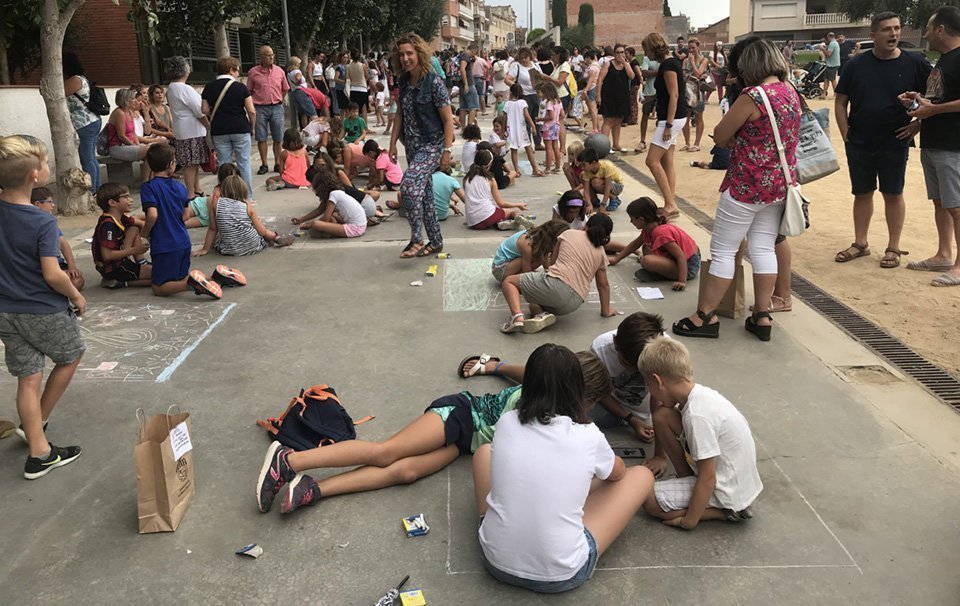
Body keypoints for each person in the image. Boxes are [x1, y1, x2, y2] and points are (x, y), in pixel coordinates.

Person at [255, 348, 612, 516]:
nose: (590, 411)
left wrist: (495, 365)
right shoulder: (529, 406)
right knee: (387, 452)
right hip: (459, 414)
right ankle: (290, 460)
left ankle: (314, 489)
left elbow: (524, 374)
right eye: (591, 402)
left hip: (467, 444)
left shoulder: (547, 397)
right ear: (575, 394)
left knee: (406, 473)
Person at [473, 343, 654, 593]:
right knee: (641, 475)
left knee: (484, 453)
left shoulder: (507, 421)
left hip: (494, 559)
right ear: (578, 389)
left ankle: (495, 527)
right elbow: (619, 473)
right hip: (559, 574)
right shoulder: (588, 434)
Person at [672, 37, 801, 342]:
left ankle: (704, 315)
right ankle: (762, 314)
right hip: (779, 185)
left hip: (746, 185)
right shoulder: (790, 92)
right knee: (763, 248)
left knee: (723, 251)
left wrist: (736, 138)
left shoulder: (753, 96)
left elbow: (720, 134)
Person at [0, 135, 85, 480]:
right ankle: (40, 423)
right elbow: (52, 274)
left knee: (28, 377)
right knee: (71, 355)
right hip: (43, 309)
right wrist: (76, 297)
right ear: (35, 175)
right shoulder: (42, 221)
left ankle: (39, 448)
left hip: (5, 310)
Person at [834, 12, 932, 269]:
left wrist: (918, 124)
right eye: (887, 29)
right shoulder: (855, 65)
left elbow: (935, 100)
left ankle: (893, 247)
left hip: (895, 141)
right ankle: (860, 243)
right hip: (860, 141)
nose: (894, 34)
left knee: (893, 193)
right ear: (873, 35)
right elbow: (841, 102)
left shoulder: (916, 63)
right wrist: (846, 136)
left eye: (897, 28)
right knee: (862, 193)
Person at [639, 337, 762, 527]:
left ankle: (724, 512)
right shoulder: (700, 395)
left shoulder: (697, 416)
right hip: (735, 480)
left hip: (726, 489)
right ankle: (687, 482)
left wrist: (688, 521)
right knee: (662, 416)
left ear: (657, 381)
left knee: (650, 501)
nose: (650, 392)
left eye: (648, 385)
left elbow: (708, 477)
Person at [900, 6, 960, 286]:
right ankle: (944, 254)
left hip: (953, 146)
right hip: (934, 143)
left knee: (957, 206)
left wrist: (932, 111)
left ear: (941, 29)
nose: (924, 34)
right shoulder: (943, 61)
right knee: (940, 203)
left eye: (927, 28)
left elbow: (943, 107)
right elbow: (939, 99)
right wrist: (919, 101)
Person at [390, 33, 456, 258]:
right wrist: (392, 144)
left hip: (432, 145)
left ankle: (416, 238)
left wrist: (446, 151)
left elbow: (448, 120)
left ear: (419, 53)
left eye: (409, 53)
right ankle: (435, 242)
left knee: (409, 187)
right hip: (412, 147)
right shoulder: (404, 82)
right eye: (401, 55)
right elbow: (399, 114)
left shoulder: (434, 82)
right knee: (426, 196)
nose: (405, 58)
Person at [140, 144, 233, 299]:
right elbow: (186, 215)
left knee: (158, 287)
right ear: (171, 165)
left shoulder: (148, 188)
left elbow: (152, 215)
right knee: (179, 277)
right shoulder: (179, 187)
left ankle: (192, 284)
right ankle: (215, 277)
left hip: (164, 244)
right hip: (183, 241)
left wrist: (145, 233)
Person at [500, 213, 616, 334]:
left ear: (586, 224)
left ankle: (517, 317)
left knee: (509, 282)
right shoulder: (601, 253)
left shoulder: (568, 233)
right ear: (606, 235)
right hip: (575, 302)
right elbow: (603, 285)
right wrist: (606, 311)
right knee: (533, 304)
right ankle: (541, 315)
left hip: (557, 285)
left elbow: (552, 264)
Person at [609, 197, 701, 289]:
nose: (631, 222)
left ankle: (664, 274)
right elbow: (634, 244)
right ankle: (661, 270)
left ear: (641, 219)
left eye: (632, 219)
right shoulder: (649, 228)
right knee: (646, 248)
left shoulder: (660, 233)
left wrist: (681, 281)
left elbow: (680, 255)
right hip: (684, 259)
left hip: (689, 265)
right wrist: (616, 259)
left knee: (646, 260)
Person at [644, 32, 688, 219]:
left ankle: (670, 203)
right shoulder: (670, 63)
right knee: (666, 161)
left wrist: (668, 125)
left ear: (653, 48)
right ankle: (671, 202)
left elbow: (674, 95)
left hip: (672, 118)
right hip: (674, 117)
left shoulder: (669, 65)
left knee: (652, 160)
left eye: (646, 50)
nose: (646, 54)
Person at [197, 175, 295, 256]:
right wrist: (272, 236)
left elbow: (213, 229)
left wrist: (205, 249)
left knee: (218, 237)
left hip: (229, 250)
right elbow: (263, 231)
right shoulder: (247, 206)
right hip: (253, 246)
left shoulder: (216, 205)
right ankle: (275, 238)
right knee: (258, 228)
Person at [202, 56, 257, 198]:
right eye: (237, 70)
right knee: (243, 163)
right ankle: (247, 196)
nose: (238, 74)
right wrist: (252, 127)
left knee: (223, 164)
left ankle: (226, 196)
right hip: (240, 127)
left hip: (219, 129)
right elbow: (251, 110)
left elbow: (204, 109)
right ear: (231, 70)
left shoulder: (209, 86)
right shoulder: (240, 87)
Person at [90, 182, 152, 288]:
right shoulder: (108, 225)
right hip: (113, 268)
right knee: (163, 276)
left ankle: (141, 262)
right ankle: (121, 283)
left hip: (119, 260)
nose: (131, 200)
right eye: (126, 197)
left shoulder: (119, 216)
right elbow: (107, 255)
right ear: (112, 202)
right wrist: (135, 250)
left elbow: (138, 219)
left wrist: (158, 218)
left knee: (133, 227)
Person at [164, 56, 209, 200]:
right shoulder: (184, 88)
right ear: (185, 70)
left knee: (193, 162)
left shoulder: (171, 88)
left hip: (182, 130)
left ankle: (197, 189)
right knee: (191, 164)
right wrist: (208, 126)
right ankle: (190, 193)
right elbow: (199, 109)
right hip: (192, 130)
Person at [29, 187, 84, 291]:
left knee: (77, 281)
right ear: (37, 204)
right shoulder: (28, 223)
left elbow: (63, 244)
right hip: (40, 266)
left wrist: (72, 266)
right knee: (62, 282)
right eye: (49, 202)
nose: (52, 205)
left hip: (56, 264)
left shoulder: (49, 221)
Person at [248, 45, 290, 175]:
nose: (271, 57)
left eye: (272, 54)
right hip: (260, 107)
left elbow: (285, 88)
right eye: (268, 55)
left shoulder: (279, 71)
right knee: (261, 137)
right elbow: (249, 91)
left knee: (278, 137)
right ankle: (264, 163)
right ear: (261, 57)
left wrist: (279, 99)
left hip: (276, 106)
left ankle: (278, 163)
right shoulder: (253, 72)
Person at [62, 52, 102, 192]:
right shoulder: (81, 78)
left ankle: (92, 190)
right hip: (91, 121)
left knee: (86, 159)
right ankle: (97, 187)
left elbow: (58, 93)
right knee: (91, 157)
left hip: (84, 123)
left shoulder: (74, 80)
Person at [464, 149, 531, 230]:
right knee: (510, 212)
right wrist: (518, 205)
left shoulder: (467, 178)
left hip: (472, 221)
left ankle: (500, 223)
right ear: (489, 165)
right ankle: (518, 218)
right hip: (487, 215)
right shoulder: (490, 179)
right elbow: (501, 203)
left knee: (495, 214)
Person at [293, 169, 369, 239]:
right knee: (332, 216)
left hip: (355, 228)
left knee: (316, 224)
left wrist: (309, 224)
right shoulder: (337, 192)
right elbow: (320, 209)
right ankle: (329, 231)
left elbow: (326, 218)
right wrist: (302, 219)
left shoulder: (334, 194)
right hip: (361, 225)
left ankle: (329, 232)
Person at [492, 220, 570, 283]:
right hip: (500, 270)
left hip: (511, 265)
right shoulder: (527, 244)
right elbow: (527, 272)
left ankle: (518, 275)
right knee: (529, 260)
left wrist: (550, 271)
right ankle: (514, 279)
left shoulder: (540, 240)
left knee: (541, 256)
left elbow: (545, 259)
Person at [596, 44, 637, 153]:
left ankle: (616, 144)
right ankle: (604, 145)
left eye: (622, 52)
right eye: (618, 52)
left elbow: (632, 76)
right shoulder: (608, 64)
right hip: (609, 96)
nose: (620, 54)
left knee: (618, 120)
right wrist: (598, 95)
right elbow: (600, 79)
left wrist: (625, 63)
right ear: (614, 54)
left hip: (622, 96)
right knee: (609, 120)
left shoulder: (626, 65)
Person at [106, 88, 151, 182]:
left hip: (129, 144)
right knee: (149, 151)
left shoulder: (129, 112)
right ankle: (146, 181)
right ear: (125, 100)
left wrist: (138, 144)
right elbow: (121, 136)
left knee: (156, 149)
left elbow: (133, 133)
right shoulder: (119, 113)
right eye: (132, 98)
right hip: (117, 147)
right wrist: (135, 146)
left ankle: (151, 178)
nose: (135, 101)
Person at [504, 48, 543, 148]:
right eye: (521, 58)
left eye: (525, 58)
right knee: (526, 120)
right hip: (525, 96)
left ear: (530, 56)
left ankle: (538, 142)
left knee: (538, 119)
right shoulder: (517, 67)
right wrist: (516, 87)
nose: (523, 60)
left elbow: (542, 78)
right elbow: (507, 79)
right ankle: (528, 143)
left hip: (537, 95)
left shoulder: (536, 66)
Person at [504, 84, 544, 177]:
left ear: (511, 92)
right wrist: (533, 126)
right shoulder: (523, 102)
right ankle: (535, 168)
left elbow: (504, 118)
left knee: (514, 150)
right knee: (528, 148)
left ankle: (517, 170)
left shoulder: (507, 104)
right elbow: (527, 116)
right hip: (521, 129)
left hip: (511, 130)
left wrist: (503, 131)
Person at [184, 163, 239, 229]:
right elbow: (216, 208)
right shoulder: (218, 190)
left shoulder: (238, 190)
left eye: (237, 178)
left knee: (181, 225)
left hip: (207, 218)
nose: (235, 180)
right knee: (178, 219)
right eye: (233, 178)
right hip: (200, 206)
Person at [681, 38, 709, 152]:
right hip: (687, 90)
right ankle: (687, 143)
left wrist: (692, 62)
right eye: (689, 48)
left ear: (698, 47)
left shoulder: (704, 60)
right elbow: (683, 74)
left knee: (698, 116)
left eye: (693, 47)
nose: (691, 50)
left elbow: (698, 73)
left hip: (697, 90)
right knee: (685, 117)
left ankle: (696, 143)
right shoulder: (685, 60)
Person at [579, 148, 624, 212]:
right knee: (582, 176)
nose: (582, 168)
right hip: (603, 184)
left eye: (584, 165)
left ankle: (614, 198)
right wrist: (589, 204)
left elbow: (607, 187)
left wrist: (603, 204)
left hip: (616, 185)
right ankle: (595, 201)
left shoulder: (606, 167)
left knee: (595, 182)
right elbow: (586, 190)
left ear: (594, 163)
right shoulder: (587, 171)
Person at [535, 82, 563, 173]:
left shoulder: (549, 103)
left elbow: (550, 116)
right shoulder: (558, 101)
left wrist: (540, 119)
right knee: (555, 147)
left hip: (548, 126)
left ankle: (548, 168)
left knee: (548, 148)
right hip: (556, 125)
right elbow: (562, 114)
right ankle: (558, 166)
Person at [459, 44, 481, 126]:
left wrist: (472, 61)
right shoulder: (466, 56)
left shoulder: (462, 56)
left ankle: (463, 128)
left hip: (461, 84)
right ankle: (469, 127)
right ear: (473, 50)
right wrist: (466, 84)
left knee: (463, 107)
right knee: (474, 106)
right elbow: (462, 68)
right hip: (468, 83)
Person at [580, 50, 601, 132]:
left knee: (592, 110)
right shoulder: (596, 65)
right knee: (594, 110)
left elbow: (591, 80)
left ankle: (595, 128)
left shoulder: (592, 68)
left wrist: (585, 90)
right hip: (594, 87)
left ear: (588, 58)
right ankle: (597, 128)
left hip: (591, 88)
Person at [821, 33, 841, 98]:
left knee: (832, 79)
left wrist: (822, 49)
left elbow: (829, 54)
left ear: (829, 37)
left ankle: (836, 94)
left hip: (833, 64)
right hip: (830, 64)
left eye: (827, 37)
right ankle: (824, 93)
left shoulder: (832, 43)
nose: (827, 39)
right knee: (826, 79)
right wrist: (826, 48)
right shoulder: (834, 43)